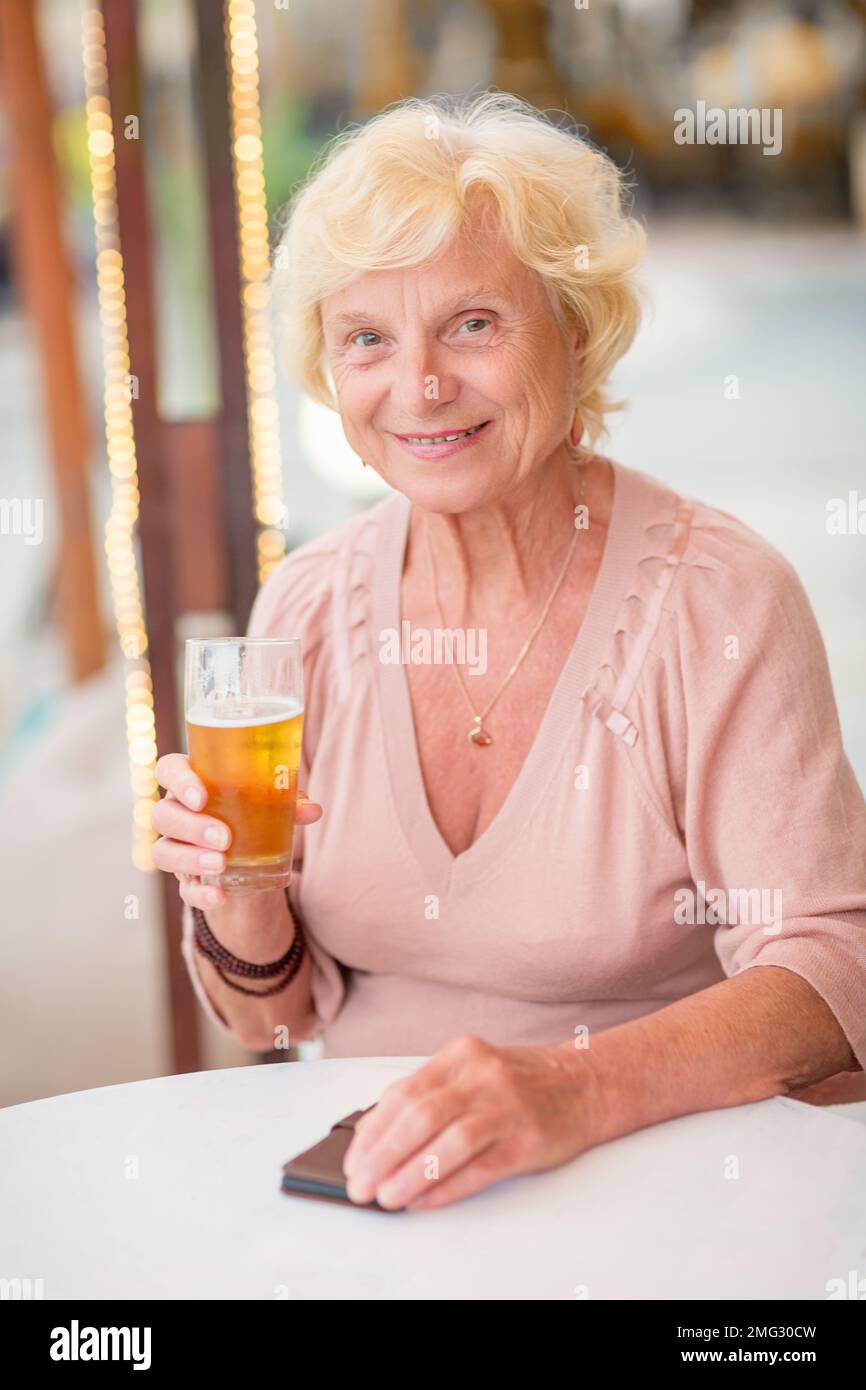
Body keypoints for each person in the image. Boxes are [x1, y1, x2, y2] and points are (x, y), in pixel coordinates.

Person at [152, 93, 866, 1213]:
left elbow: (832, 975)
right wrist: (236, 890)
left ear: (573, 334)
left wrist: (569, 1090)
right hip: (377, 1193)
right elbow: (276, 1022)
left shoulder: (718, 598)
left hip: (664, 1196)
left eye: (473, 323)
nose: (421, 385)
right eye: (368, 339)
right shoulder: (304, 606)